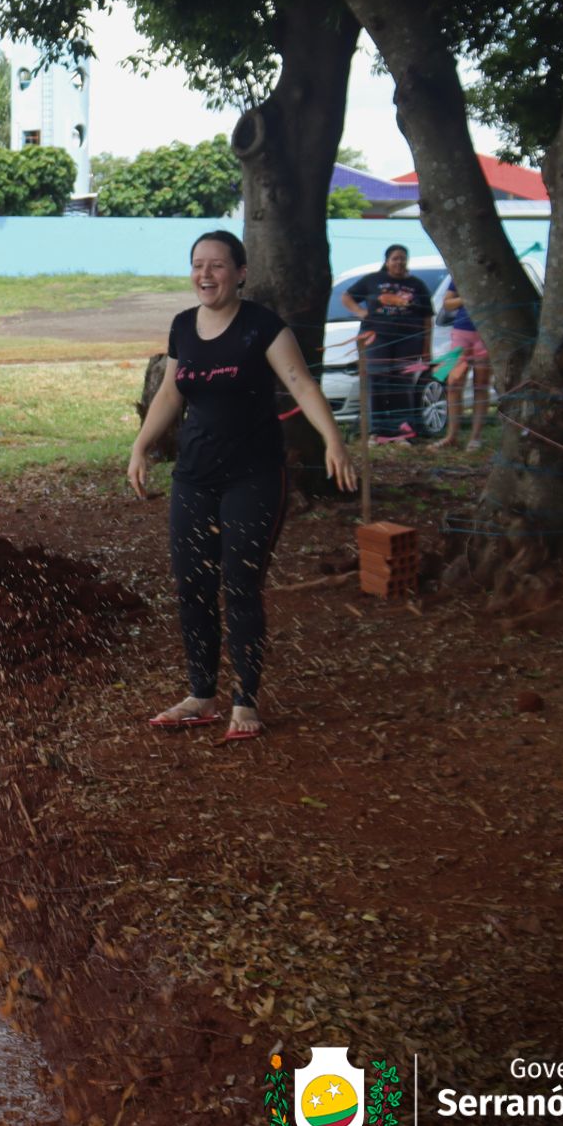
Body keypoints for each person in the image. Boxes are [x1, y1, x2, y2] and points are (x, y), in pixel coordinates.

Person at [128, 230, 357, 742]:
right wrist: (141, 446)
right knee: (192, 586)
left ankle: (245, 700)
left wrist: (333, 441)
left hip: (254, 477)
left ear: (241, 273)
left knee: (240, 586)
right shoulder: (183, 326)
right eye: (198, 265)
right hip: (194, 477)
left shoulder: (262, 326)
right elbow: (170, 393)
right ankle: (201, 694)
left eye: (217, 265)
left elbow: (301, 383)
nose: (205, 274)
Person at [340, 245, 434, 441]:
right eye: (395, 258)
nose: (399, 262)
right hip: (376, 338)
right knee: (376, 380)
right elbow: (347, 297)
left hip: (408, 340)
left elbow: (427, 317)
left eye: (402, 258)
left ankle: (402, 430)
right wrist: (361, 312)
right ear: (387, 261)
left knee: (402, 383)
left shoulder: (417, 285)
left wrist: (426, 348)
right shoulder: (373, 280)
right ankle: (377, 430)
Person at [433, 282, 489, 450]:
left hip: (487, 332)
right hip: (461, 331)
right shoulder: (461, 277)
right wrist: (466, 299)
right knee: (454, 383)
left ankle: (475, 438)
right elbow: (447, 303)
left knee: (481, 384)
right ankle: (451, 436)